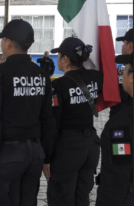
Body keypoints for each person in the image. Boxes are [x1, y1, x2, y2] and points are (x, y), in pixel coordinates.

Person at [0, 19, 55, 205]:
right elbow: (48, 119)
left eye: (2, 39)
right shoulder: (42, 75)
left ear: (8, 42)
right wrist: (46, 156)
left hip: (8, 156)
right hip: (35, 154)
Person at [45, 37, 103, 206]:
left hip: (68, 148)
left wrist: (47, 157)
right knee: (82, 196)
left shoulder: (59, 85)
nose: (57, 58)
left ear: (65, 59)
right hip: (91, 146)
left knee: (61, 197)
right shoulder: (95, 77)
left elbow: (52, 124)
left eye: (59, 55)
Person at [96, 52, 133, 206]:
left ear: (132, 77)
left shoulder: (121, 123)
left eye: (125, 68)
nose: (122, 72)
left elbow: (117, 175)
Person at [109, 28, 133, 118]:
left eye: (123, 43)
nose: (122, 47)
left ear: (130, 45)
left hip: (122, 123)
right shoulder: (121, 69)